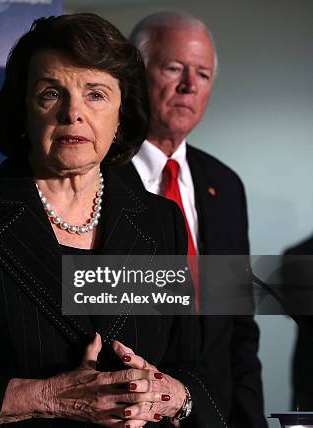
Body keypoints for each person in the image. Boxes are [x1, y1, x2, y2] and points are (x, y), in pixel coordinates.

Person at [0, 14, 224, 427]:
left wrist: (170, 395)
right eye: (51, 93)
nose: (73, 113)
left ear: (121, 113)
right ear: (23, 109)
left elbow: (195, 370)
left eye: (96, 94)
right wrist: (48, 397)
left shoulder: (160, 221)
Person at [114, 11, 266, 427]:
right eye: (174, 68)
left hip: (214, 413)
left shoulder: (225, 185)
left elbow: (239, 328)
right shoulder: (96, 176)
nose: (189, 86)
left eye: (202, 74)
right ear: (134, 73)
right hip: (128, 412)